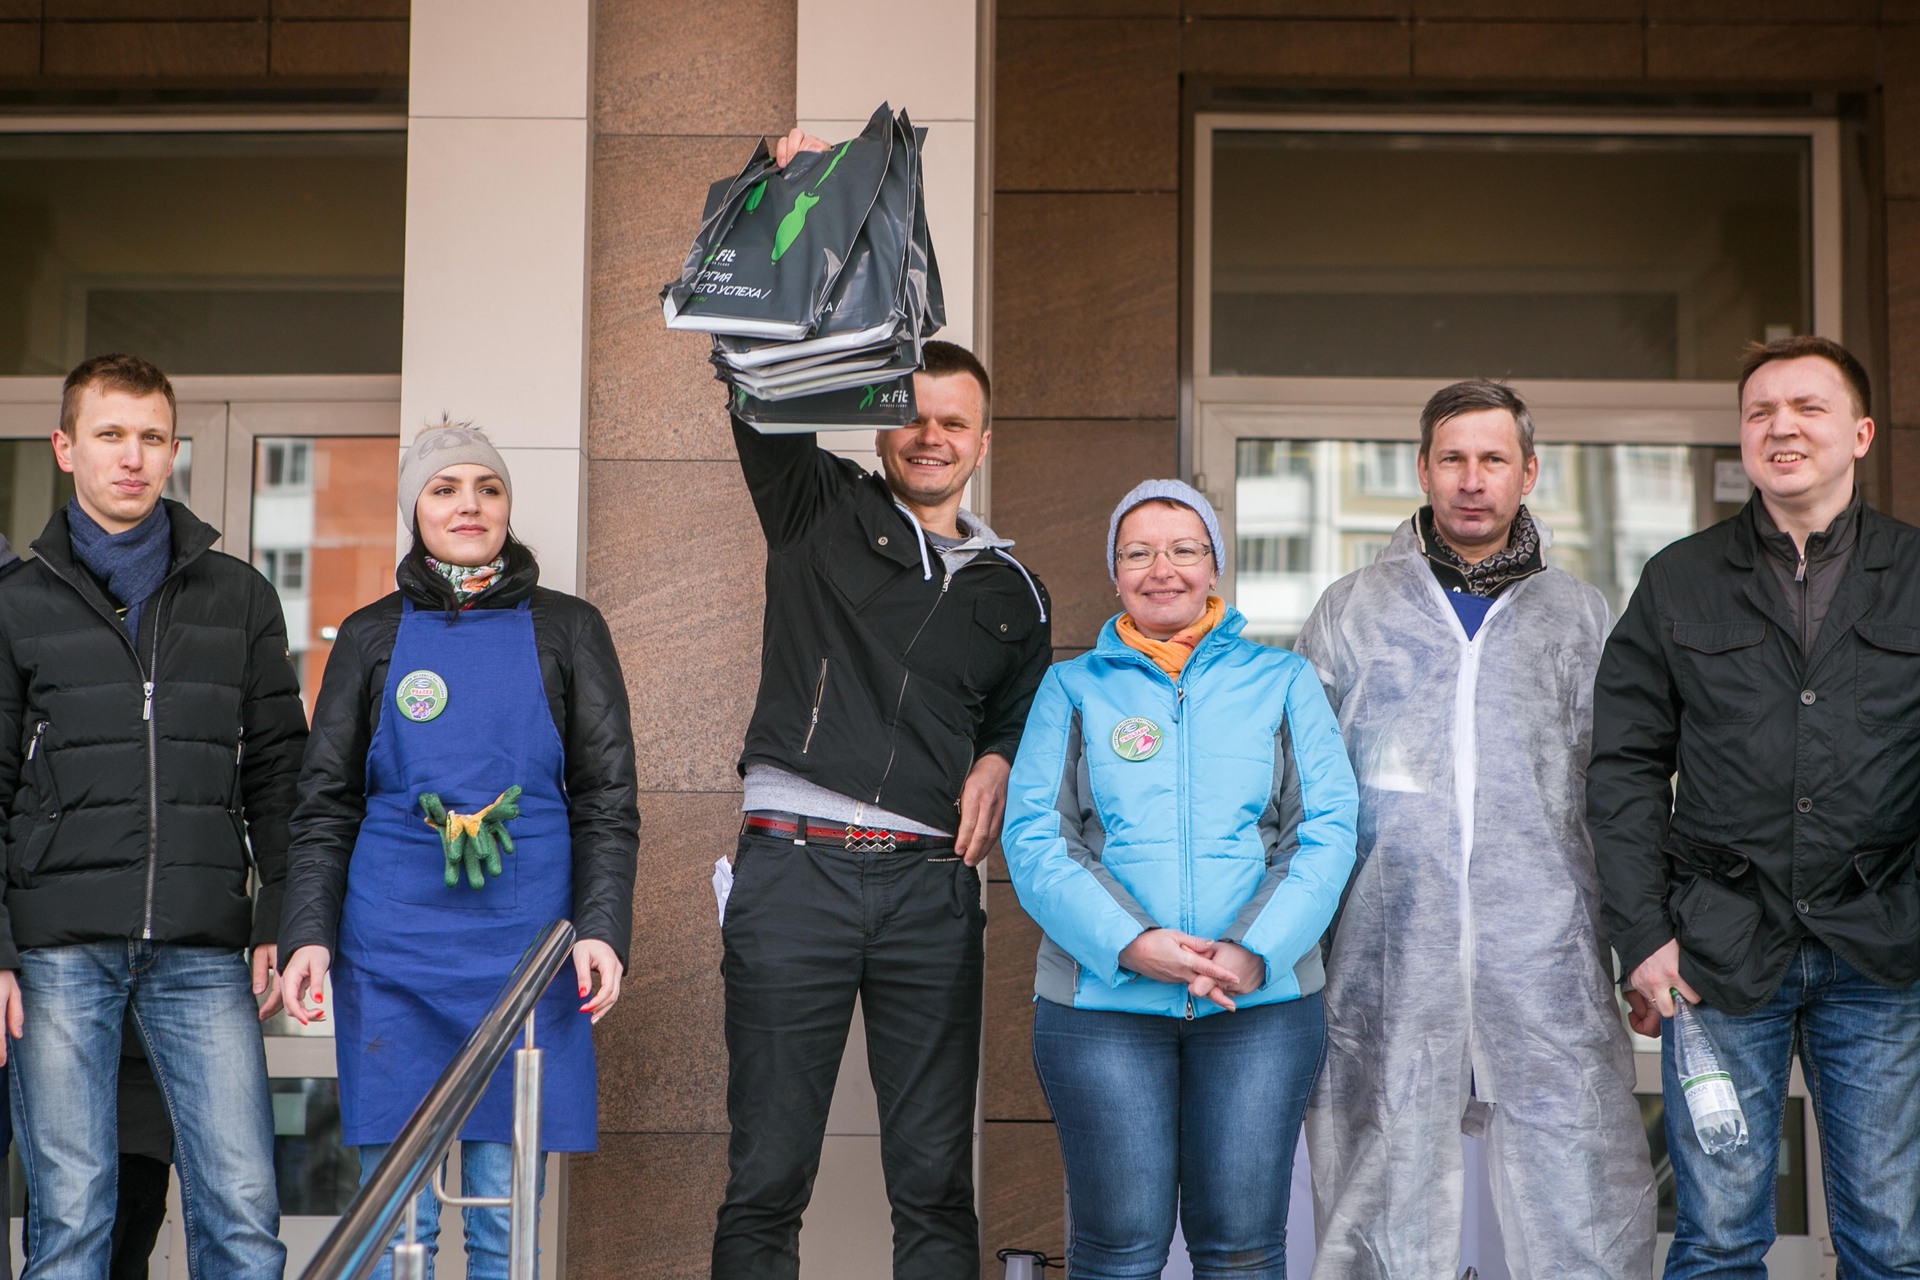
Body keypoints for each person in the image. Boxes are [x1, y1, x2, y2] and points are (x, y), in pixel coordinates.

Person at [712, 145, 1053, 1273]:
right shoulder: (815, 503)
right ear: (879, 422)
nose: (931, 436)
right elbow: (752, 368)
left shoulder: (1016, 591)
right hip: (793, 875)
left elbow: (1022, 711)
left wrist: (999, 756)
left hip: (928, 893)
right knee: (766, 1177)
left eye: (955, 421)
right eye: (912, 414)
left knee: (935, 1185)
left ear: (983, 441)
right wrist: (781, 198)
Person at [1296, 379, 1655, 1278]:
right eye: (1452, 458)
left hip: (1545, 956)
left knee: (1577, 1189)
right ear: (1422, 469)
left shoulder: (1581, 615)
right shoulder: (1351, 609)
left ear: (1528, 473)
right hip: (1387, 952)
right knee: (1379, 1190)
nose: (1471, 479)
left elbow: (1618, 790)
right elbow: (1302, 790)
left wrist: (1638, 941)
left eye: (1493, 459)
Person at [1589, 335, 1920, 1276]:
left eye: (1809, 408)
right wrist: (1643, 936)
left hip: (1884, 949)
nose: (1783, 428)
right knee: (1719, 1238)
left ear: (1861, 433)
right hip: (1720, 952)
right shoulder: (1680, 579)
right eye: (1761, 412)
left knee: (1892, 1242)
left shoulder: (1915, 573)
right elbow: (1624, 768)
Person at [277, 420, 639, 1279]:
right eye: (445, 489)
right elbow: (324, 804)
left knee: (501, 1225)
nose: (469, 504)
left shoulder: (570, 629)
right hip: (391, 953)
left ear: (508, 505)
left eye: (488, 487)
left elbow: (606, 799)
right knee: (390, 1226)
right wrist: (307, 934)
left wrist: (600, 927)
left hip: (527, 958)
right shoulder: (368, 635)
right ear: (415, 508)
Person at [1001, 479, 1356, 1279]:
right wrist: (1133, 944)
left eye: (1184, 550)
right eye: (1138, 553)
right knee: (1119, 1249)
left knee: (1241, 1248)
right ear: (1115, 573)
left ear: (1214, 567)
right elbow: (1036, 840)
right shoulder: (1072, 687)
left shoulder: (1284, 681)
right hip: (1102, 1008)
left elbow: (1326, 831)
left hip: (1258, 1007)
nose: (1162, 569)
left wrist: (1254, 950)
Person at [0, 352, 306, 1279]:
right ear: (65, 448)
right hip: (57, 951)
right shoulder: (14, 604)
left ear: (173, 452)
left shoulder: (240, 597)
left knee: (243, 1214)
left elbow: (280, 773)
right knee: (72, 1220)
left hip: (201, 947)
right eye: (109, 434)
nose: (131, 457)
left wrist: (279, 917)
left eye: (150, 437)